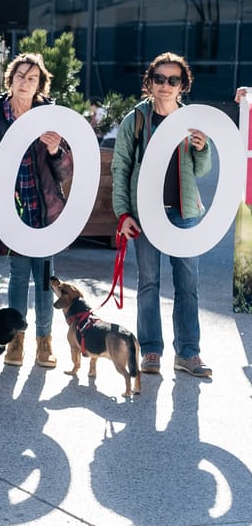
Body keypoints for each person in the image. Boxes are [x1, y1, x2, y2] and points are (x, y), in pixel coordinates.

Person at [111, 52, 212, 378]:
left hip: (184, 213)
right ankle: (151, 351)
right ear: (149, 82)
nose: (165, 86)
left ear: (183, 85)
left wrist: (201, 147)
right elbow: (121, 167)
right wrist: (123, 213)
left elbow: (201, 170)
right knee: (149, 283)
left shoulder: (190, 121)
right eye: (160, 79)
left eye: (173, 80)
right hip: (146, 214)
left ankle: (188, 353)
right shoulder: (137, 120)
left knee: (188, 284)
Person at [0, 52, 73, 369]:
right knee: (18, 276)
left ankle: (44, 342)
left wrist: (55, 149)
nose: (25, 82)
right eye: (20, 75)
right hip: (12, 206)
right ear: (11, 78)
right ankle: (15, 340)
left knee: (45, 278)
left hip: (43, 208)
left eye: (32, 78)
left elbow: (66, 168)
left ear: (39, 84)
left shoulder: (50, 115)